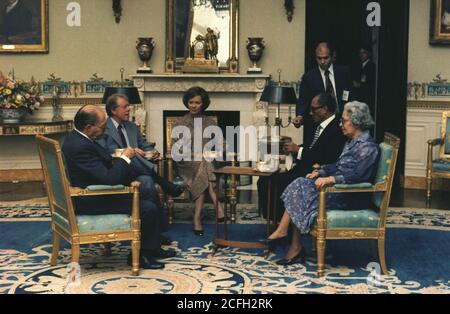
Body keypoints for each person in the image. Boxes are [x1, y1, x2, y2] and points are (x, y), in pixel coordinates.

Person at [262, 101, 379, 266]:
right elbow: (339, 166)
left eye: (344, 120)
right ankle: (287, 237)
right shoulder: (352, 141)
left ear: (357, 121)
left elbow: (359, 175)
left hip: (351, 196)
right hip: (339, 191)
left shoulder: (367, 147)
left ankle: (289, 239)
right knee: (301, 183)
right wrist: (321, 172)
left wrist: (332, 179)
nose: (340, 124)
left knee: (301, 192)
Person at [62, 105, 176, 270]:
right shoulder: (80, 147)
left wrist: (120, 156)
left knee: (148, 191)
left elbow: (100, 163)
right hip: (91, 199)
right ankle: (142, 255)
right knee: (148, 208)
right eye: (102, 126)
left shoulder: (77, 138)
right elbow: (110, 179)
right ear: (88, 127)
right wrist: (124, 157)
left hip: (96, 189)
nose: (105, 128)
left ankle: (152, 246)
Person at [257, 93, 346, 221]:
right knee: (265, 180)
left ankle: (280, 225)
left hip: (315, 173)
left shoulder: (336, 129)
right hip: (304, 169)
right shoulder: (319, 124)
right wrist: (293, 150)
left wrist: (298, 150)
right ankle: (275, 223)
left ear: (325, 109)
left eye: (314, 109)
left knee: (273, 182)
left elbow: (326, 157)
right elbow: (311, 147)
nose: (310, 113)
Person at [98, 94, 184, 199]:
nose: (129, 109)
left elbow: (144, 144)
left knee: (147, 181)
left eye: (128, 106)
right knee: (131, 157)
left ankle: (154, 213)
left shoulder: (132, 127)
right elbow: (104, 153)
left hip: (136, 172)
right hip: (116, 170)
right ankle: (163, 182)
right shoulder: (103, 128)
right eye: (125, 107)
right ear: (113, 110)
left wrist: (152, 152)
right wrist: (131, 152)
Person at [172, 86, 225, 236]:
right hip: (186, 163)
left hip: (205, 163)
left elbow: (222, 145)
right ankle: (218, 206)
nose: (194, 105)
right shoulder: (179, 123)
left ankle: (197, 219)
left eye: (197, 102)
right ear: (186, 103)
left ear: (203, 104)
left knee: (204, 164)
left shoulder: (210, 123)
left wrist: (214, 153)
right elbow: (175, 149)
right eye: (191, 102)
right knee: (204, 163)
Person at [293, 42, 353, 142]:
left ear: (333, 56)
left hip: (342, 122)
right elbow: (303, 100)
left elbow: (352, 96)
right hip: (319, 124)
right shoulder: (309, 77)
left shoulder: (344, 72)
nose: (322, 61)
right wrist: (300, 116)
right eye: (319, 58)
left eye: (325, 58)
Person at [352, 46, 376, 117]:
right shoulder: (357, 66)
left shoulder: (372, 67)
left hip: (367, 98)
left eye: (364, 52)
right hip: (358, 98)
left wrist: (360, 85)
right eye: (360, 53)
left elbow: (372, 84)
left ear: (369, 54)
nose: (361, 55)